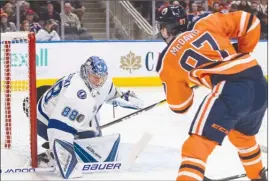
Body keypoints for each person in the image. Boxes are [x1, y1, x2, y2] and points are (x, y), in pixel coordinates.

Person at [156, 5, 267, 181]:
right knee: (243, 138)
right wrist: (241, 53)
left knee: (194, 148)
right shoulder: (206, 22)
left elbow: (179, 106)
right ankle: (258, 177)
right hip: (259, 81)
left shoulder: (166, 59)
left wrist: (191, 81)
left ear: (165, 30)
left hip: (231, 89)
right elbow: (250, 22)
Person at [36, 56, 143, 179]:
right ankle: (51, 156)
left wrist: (127, 98)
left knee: (94, 134)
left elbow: (111, 93)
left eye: (102, 78)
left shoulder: (102, 83)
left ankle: (70, 147)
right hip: (43, 121)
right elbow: (58, 129)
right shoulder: (75, 94)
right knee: (88, 136)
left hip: (58, 111)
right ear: (86, 73)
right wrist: (68, 165)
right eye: (95, 78)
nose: (99, 82)